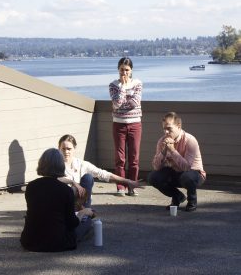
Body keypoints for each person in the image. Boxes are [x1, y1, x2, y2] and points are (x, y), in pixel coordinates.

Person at [20, 148, 94, 252]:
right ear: (61, 165)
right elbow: (72, 223)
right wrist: (82, 212)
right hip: (58, 242)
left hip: (30, 242)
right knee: (87, 222)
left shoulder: (31, 186)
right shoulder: (65, 190)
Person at [58, 134, 142, 207]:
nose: (66, 152)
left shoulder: (82, 164)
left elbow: (103, 174)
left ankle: (84, 212)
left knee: (88, 178)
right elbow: (52, 179)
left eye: (69, 149)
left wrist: (127, 181)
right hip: (64, 201)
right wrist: (73, 182)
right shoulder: (55, 164)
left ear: (74, 148)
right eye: (63, 149)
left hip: (82, 201)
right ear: (59, 149)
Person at [147, 112, 206, 212]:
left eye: (169, 128)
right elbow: (156, 167)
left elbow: (187, 167)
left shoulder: (190, 140)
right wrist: (164, 151)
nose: (166, 132)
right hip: (175, 172)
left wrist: (173, 151)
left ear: (178, 126)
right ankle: (177, 197)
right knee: (153, 177)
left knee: (186, 176)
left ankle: (192, 201)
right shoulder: (162, 141)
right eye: (164, 129)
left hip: (194, 174)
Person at [109, 57, 143, 196]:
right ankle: (121, 187)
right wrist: (123, 87)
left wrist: (122, 101)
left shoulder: (138, 83)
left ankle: (132, 186)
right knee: (120, 159)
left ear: (131, 70)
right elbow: (117, 103)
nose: (124, 72)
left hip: (135, 124)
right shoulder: (113, 85)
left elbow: (135, 102)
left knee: (134, 158)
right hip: (119, 124)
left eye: (127, 70)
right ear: (118, 69)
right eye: (122, 69)